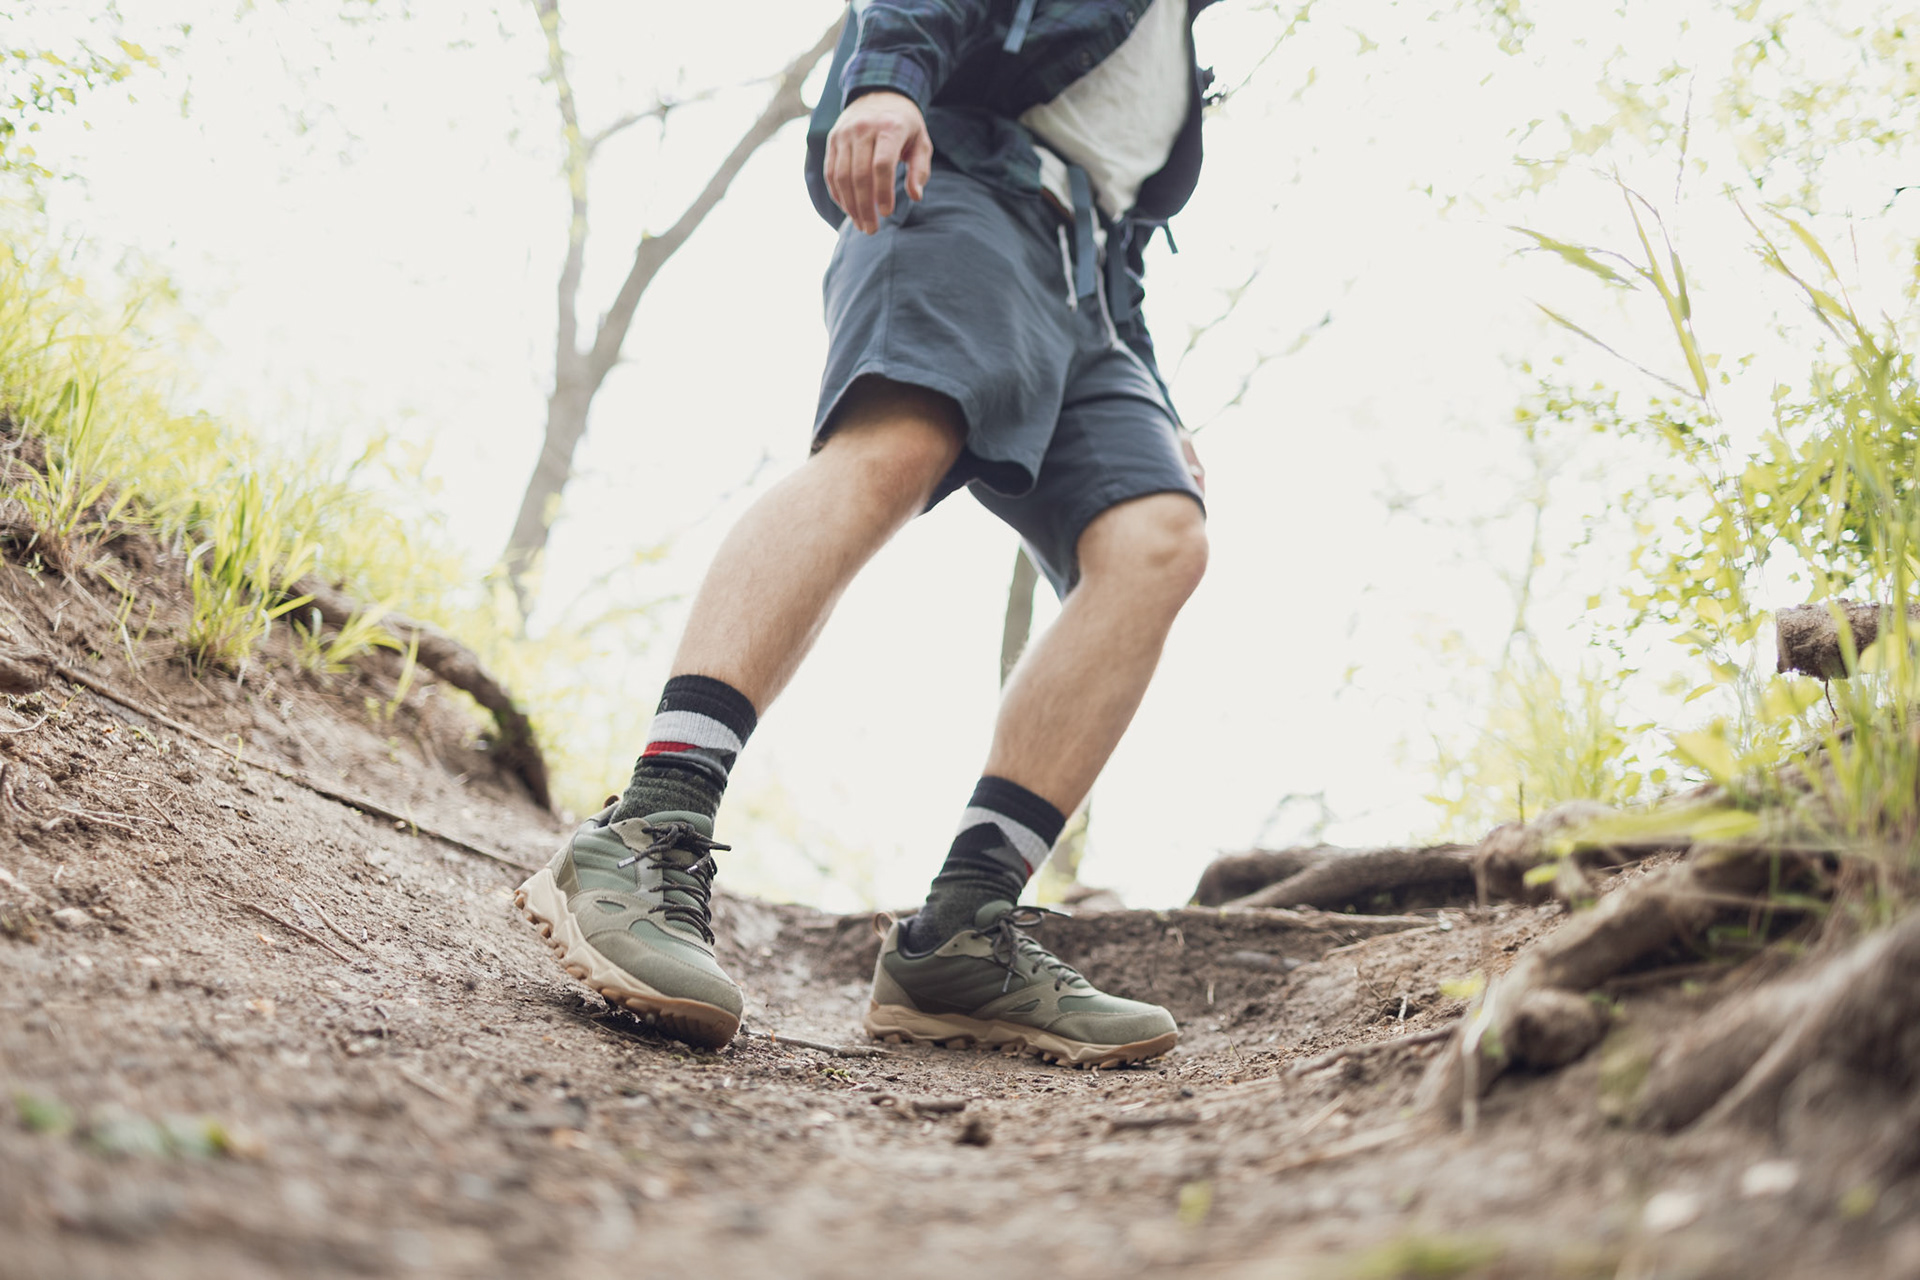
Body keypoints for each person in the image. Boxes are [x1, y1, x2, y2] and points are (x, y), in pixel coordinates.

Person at [517, 0, 1217, 1068]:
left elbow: (1121, 222)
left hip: (1093, 297)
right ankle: (651, 824)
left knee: (1159, 536)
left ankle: (963, 933)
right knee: (895, 445)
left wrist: (1158, 402)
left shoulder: (1179, 30)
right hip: (967, 189)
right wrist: (887, 79)